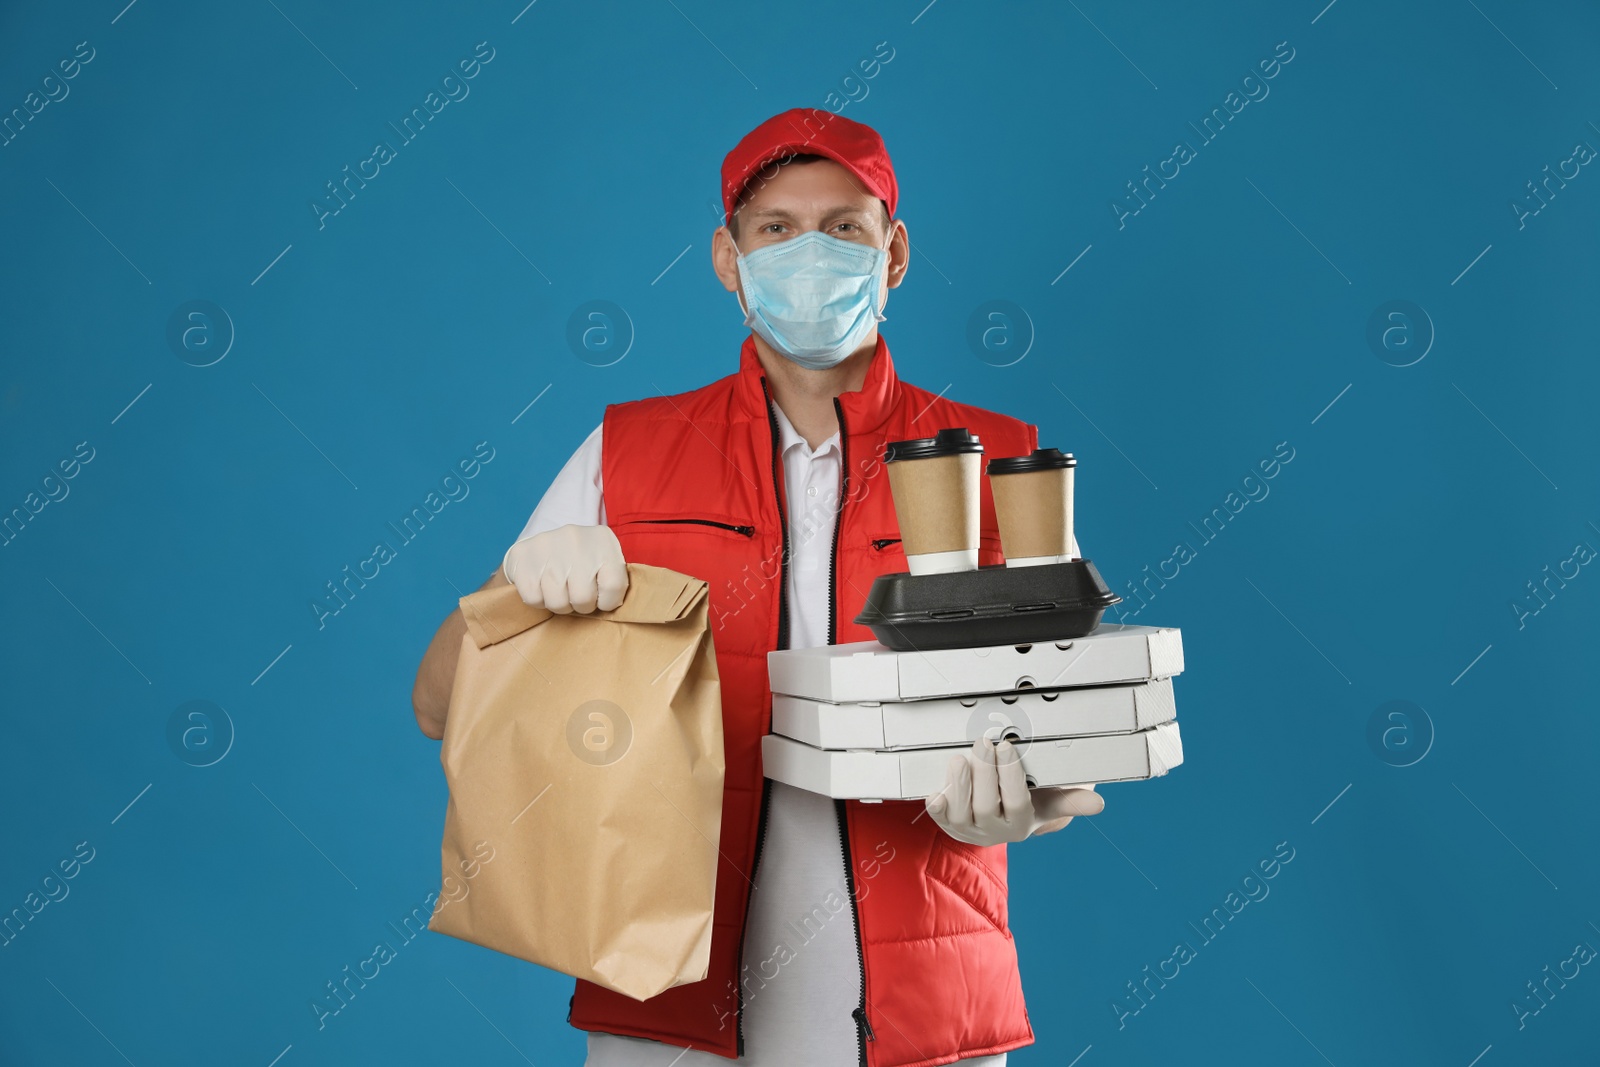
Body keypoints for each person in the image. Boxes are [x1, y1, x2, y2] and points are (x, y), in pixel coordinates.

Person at [411, 107, 1105, 1067]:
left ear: (893, 253)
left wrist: (1033, 798)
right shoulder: (631, 454)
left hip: (930, 1014)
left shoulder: (1006, 463)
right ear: (727, 259)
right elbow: (440, 702)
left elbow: (1076, 722)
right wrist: (517, 604)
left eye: (844, 227)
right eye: (775, 228)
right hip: (668, 1012)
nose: (809, 252)